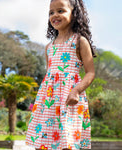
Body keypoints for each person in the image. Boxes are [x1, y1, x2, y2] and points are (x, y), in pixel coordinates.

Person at [25, 0, 96, 149]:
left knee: (67, 141)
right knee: (43, 141)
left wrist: (76, 90)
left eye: (60, 11)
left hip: (69, 99)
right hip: (49, 101)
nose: (54, 15)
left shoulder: (79, 41)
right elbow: (49, 76)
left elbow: (90, 73)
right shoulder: (49, 47)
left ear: (74, 14)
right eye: (51, 12)